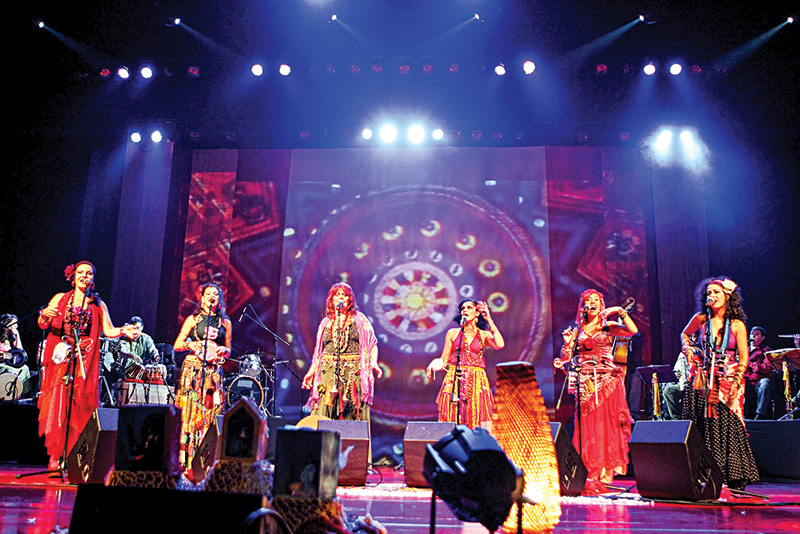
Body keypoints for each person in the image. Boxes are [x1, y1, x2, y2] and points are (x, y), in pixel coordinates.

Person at [37, 261, 138, 474]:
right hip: (61, 359)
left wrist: (123, 330)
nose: (85, 275)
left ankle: (72, 455)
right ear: (73, 277)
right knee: (59, 404)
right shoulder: (60, 299)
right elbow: (43, 324)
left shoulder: (97, 304)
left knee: (78, 406)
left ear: (93, 278)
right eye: (81, 272)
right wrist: (45, 314)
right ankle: (55, 455)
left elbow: (109, 331)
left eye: (89, 273)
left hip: (84, 359)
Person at [680, 277, 759, 491]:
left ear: (727, 296)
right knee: (704, 426)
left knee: (729, 426)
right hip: (704, 379)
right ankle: (705, 474)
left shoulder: (737, 325)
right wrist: (688, 348)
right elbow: (684, 334)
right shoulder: (700, 320)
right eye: (708, 293)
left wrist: (736, 380)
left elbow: (744, 357)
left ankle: (731, 475)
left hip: (729, 379)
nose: (712, 296)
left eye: (716, 292)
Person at [556, 289, 638, 486]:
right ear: (583, 306)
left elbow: (632, 330)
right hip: (586, 384)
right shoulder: (577, 331)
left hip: (607, 381)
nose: (592, 302)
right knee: (589, 427)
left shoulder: (608, 326)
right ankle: (590, 470)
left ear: (601, 305)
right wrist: (566, 347)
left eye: (596, 300)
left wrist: (619, 311)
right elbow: (567, 356)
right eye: (588, 300)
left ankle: (607, 473)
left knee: (606, 427)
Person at [302, 283, 382, 421]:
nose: (341, 298)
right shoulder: (325, 323)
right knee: (324, 414)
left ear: (350, 299)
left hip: (353, 374)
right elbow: (318, 354)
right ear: (331, 299)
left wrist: (373, 362)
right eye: (337, 295)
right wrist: (310, 373)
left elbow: (372, 343)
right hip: (328, 373)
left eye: (345, 295)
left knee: (353, 414)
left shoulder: (360, 319)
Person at [173, 282, 232, 470]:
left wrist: (224, 351)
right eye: (208, 294)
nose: (211, 297)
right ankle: (186, 460)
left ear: (219, 299)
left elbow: (229, 349)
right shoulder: (193, 319)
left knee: (210, 412)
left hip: (212, 373)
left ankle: (206, 459)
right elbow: (177, 344)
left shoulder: (225, 322)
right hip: (193, 370)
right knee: (190, 411)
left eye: (215, 294)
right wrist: (190, 344)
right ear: (202, 297)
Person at [426, 299, 504, 431]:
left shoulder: (484, 335)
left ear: (477, 313)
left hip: (476, 380)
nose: (465, 310)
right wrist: (434, 363)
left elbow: (499, 344)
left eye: (469, 308)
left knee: (475, 414)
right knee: (452, 413)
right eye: (463, 308)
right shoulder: (453, 333)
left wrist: (489, 320)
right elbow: (444, 359)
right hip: (455, 378)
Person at [743, 326, 776, 420]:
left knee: (765, 383)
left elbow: (767, 368)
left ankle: (760, 415)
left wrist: (750, 364)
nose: (753, 336)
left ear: (763, 338)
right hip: (746, 381)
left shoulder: (766, 351)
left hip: (759, 382)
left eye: (757, 334)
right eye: (752, 334)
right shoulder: (744, 350)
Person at [117, 316, 160, 381]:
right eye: (133, 328)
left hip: (142, 370)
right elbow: (120, 352)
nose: (135, 331)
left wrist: (156, 356)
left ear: (142, 328)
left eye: (137, 328)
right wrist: (131, 355)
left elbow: (153, 350)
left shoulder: (146, 338)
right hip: (124, 371)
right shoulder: (124, 338)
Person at [0, 313, 33, 399]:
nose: (16, 326)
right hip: (2, 364)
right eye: (14, 324)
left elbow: (20, 352)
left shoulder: (11, 338)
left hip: (9, 364)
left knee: (25, 368)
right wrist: (2, 357)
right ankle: (8, 394)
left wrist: (17, 335)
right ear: (7, 325)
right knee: (11, 370)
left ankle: (23, 393)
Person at [662, 351, 690, 420]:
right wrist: (676, 375)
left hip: (698, 385)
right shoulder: (683, 355)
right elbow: (676, 370)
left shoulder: (702, 353)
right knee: (669, 390)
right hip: (683, 385)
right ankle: (676, 419)